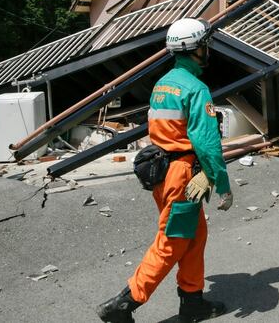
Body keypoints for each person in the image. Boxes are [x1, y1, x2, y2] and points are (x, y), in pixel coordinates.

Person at [97, 18, 233, 323]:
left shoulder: (163, 84)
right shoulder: (196, 88)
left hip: (163, 171)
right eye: (205, 45)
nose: (208, 50)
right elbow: (207, 142)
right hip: (184, 175)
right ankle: (125, 303)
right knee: (171, 242)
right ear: (195, 49)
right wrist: (219, 181)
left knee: (195, 235)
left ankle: (193, 301)